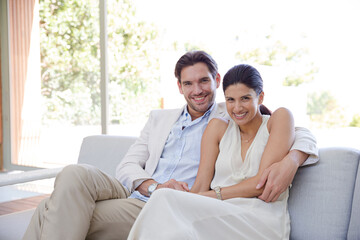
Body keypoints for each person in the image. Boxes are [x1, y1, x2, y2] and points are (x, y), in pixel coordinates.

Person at [23, 51, 318, 240]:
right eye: (188, 84)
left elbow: (297, 131)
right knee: (72, 175)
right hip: (142, 193)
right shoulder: (160, 118)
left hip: (179, 204)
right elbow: (126, 166)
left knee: (49, 209)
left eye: (204, 81)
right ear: (179, 86)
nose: (197, 90)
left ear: (216, 81)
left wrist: (293, 158)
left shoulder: (225, 116)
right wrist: (153, 186)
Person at [127, 63, 297, 239]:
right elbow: (200, 186)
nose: (237, 108)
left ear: (260, 97)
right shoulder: (217, 127)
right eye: (230, 100)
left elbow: (259, 184)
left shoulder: (279, 119)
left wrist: (212, 195)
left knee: (164, 198)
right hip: (216, 213)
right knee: (167, 209)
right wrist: (183, 201)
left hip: (258, 218)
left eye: (245, 98)